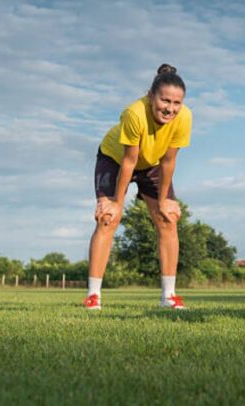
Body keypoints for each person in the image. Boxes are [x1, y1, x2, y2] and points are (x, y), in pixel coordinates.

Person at [83, 63, 192, 310]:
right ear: (151, 95)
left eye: (177, 103)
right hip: (115, 159)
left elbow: (169, 160)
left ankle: (169, 296)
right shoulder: (134, 113)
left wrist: (164, 199)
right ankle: (93, 295)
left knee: (168, 219)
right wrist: (115, 203)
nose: (171, 108)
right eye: (165, 101)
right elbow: (129, 162)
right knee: (108, 219)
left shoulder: (184, 117)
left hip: (152, 162)